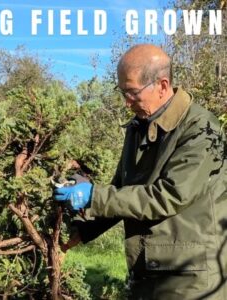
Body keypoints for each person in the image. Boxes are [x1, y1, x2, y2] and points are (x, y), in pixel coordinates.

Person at [54, 44, 227, 299]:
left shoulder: (203, 131)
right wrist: (82, 231)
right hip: (146, 270)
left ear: (163, 85)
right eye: (122, 92)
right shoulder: (139, 126)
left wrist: (94, 196)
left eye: (133, 93)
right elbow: (123, 193)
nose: (126, 103)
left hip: (189, 277)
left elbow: (168, 196)